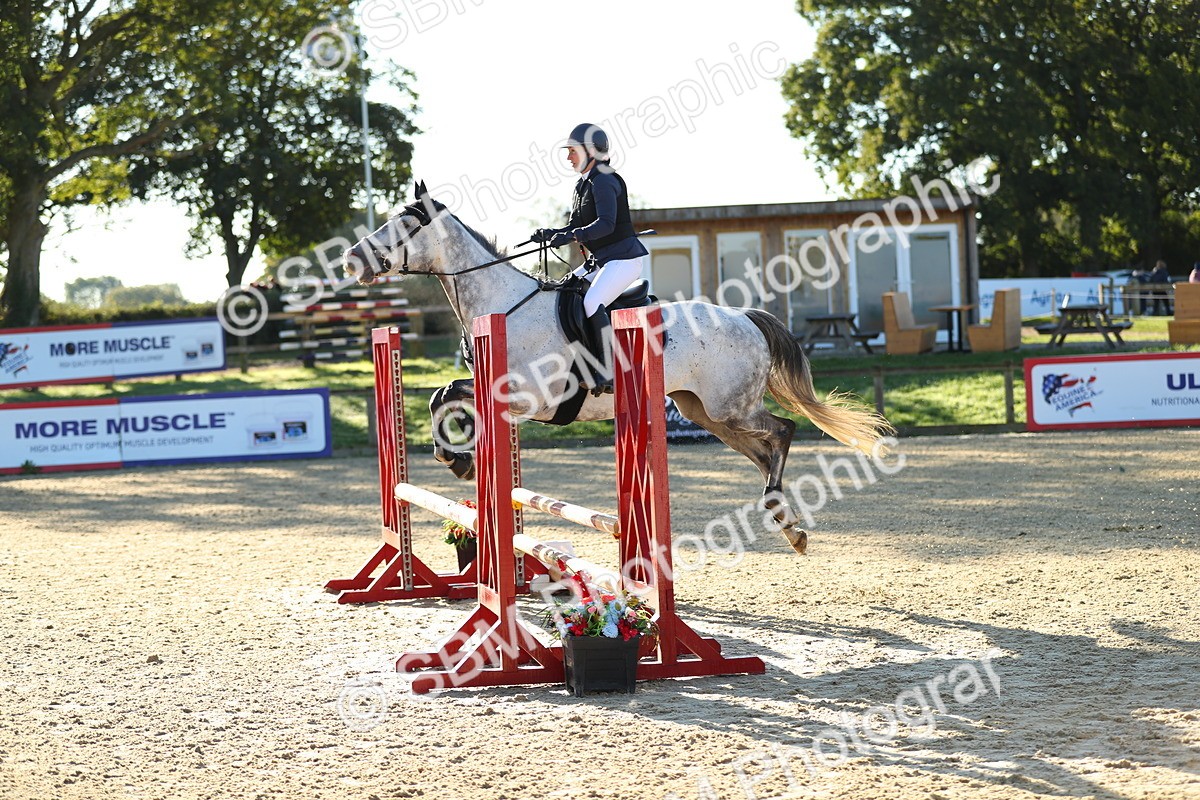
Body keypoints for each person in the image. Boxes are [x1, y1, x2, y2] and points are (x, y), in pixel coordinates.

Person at [531, 123, 648, 395]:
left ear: (591, 151)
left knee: (592, 300)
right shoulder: (583, 184)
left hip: (623, 260)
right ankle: (581, 359)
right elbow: (575, 224)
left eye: (572, 151)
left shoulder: (605, 179)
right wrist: (552, 233)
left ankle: (607, 370)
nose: (568, 157)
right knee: (566, 289)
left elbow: (606, 225)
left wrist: (572, 236)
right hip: (602, 261)